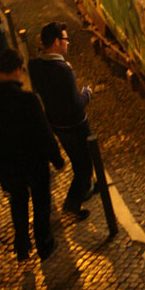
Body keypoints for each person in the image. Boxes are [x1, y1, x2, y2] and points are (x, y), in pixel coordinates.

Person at [0, 47, 63, 262]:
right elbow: (44, 133)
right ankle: (44, 243)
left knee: (18, 200)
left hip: (7, 164)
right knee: (41, 202)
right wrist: (56, 158)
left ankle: (22, 245)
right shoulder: (28, 100)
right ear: (17, 70)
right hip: (34, 162)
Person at [28, 22, 96, 220]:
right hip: (76, 125)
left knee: (78, 160)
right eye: (65, 39)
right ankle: (73, 202)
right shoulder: (63, 70)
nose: (68, 43)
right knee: (84, 165)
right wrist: (87, 94)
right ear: (57, 42)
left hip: (57, 125)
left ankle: (87, 187)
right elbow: (76, 104)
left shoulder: (35, 65)